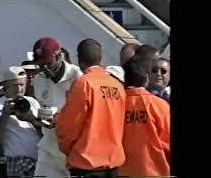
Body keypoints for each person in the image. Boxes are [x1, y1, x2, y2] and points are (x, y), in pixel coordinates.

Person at [56, 38, 126, 178]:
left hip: (87, 164)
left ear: (79, 59)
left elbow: (69, 126)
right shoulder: (117, 85)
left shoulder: (84, 83)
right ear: (100, 58)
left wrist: (66, 147)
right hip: (113, 164)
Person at [32, 37, 83, 177]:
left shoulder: (78, 77)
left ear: (59, 56)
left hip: (73, 148)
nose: (44, 69)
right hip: (49, 148)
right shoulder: (38, 80)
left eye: (48, 63)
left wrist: (60, 119)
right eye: (40, 64)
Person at [0, 66, 42, 177]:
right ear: (5, 86)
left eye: (22, 85)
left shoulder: (33, 102)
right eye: (15, 85)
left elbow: (45, 134)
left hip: (40, 161)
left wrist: (32, 119)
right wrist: (5, 115)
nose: (19, 89)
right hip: (18, 163)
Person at [120, 58, 170, 176]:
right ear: (147, 78)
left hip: (125, 171)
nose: (159, 74)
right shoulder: (159, 106)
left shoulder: (118, 103)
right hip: (154, 171)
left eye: (163, 71)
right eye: (154, 70)